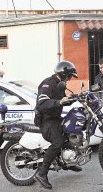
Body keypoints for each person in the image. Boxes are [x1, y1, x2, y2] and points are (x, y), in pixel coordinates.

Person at [34, 60, 82, 190]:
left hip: (55, 118)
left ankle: (68, 163)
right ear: (64, 74)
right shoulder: (48, 83)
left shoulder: (59, 84)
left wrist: (75, 98)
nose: (70, 79)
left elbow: (61, 101)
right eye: (70, 76)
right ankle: (41, 173)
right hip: (46, 120)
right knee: (58, 142)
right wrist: (60, 102)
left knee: (69, 131)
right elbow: (42, 104)